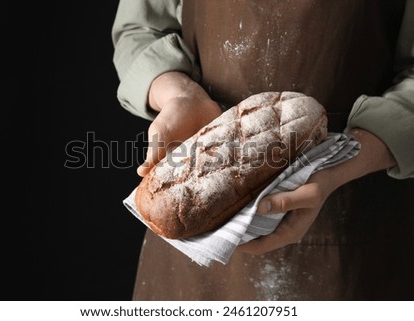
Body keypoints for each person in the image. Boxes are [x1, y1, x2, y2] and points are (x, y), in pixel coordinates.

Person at [113, 0, 414, 300]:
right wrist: (178, 94)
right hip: (189, 240)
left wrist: (338, 166)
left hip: (351, 231)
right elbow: (140, 29)